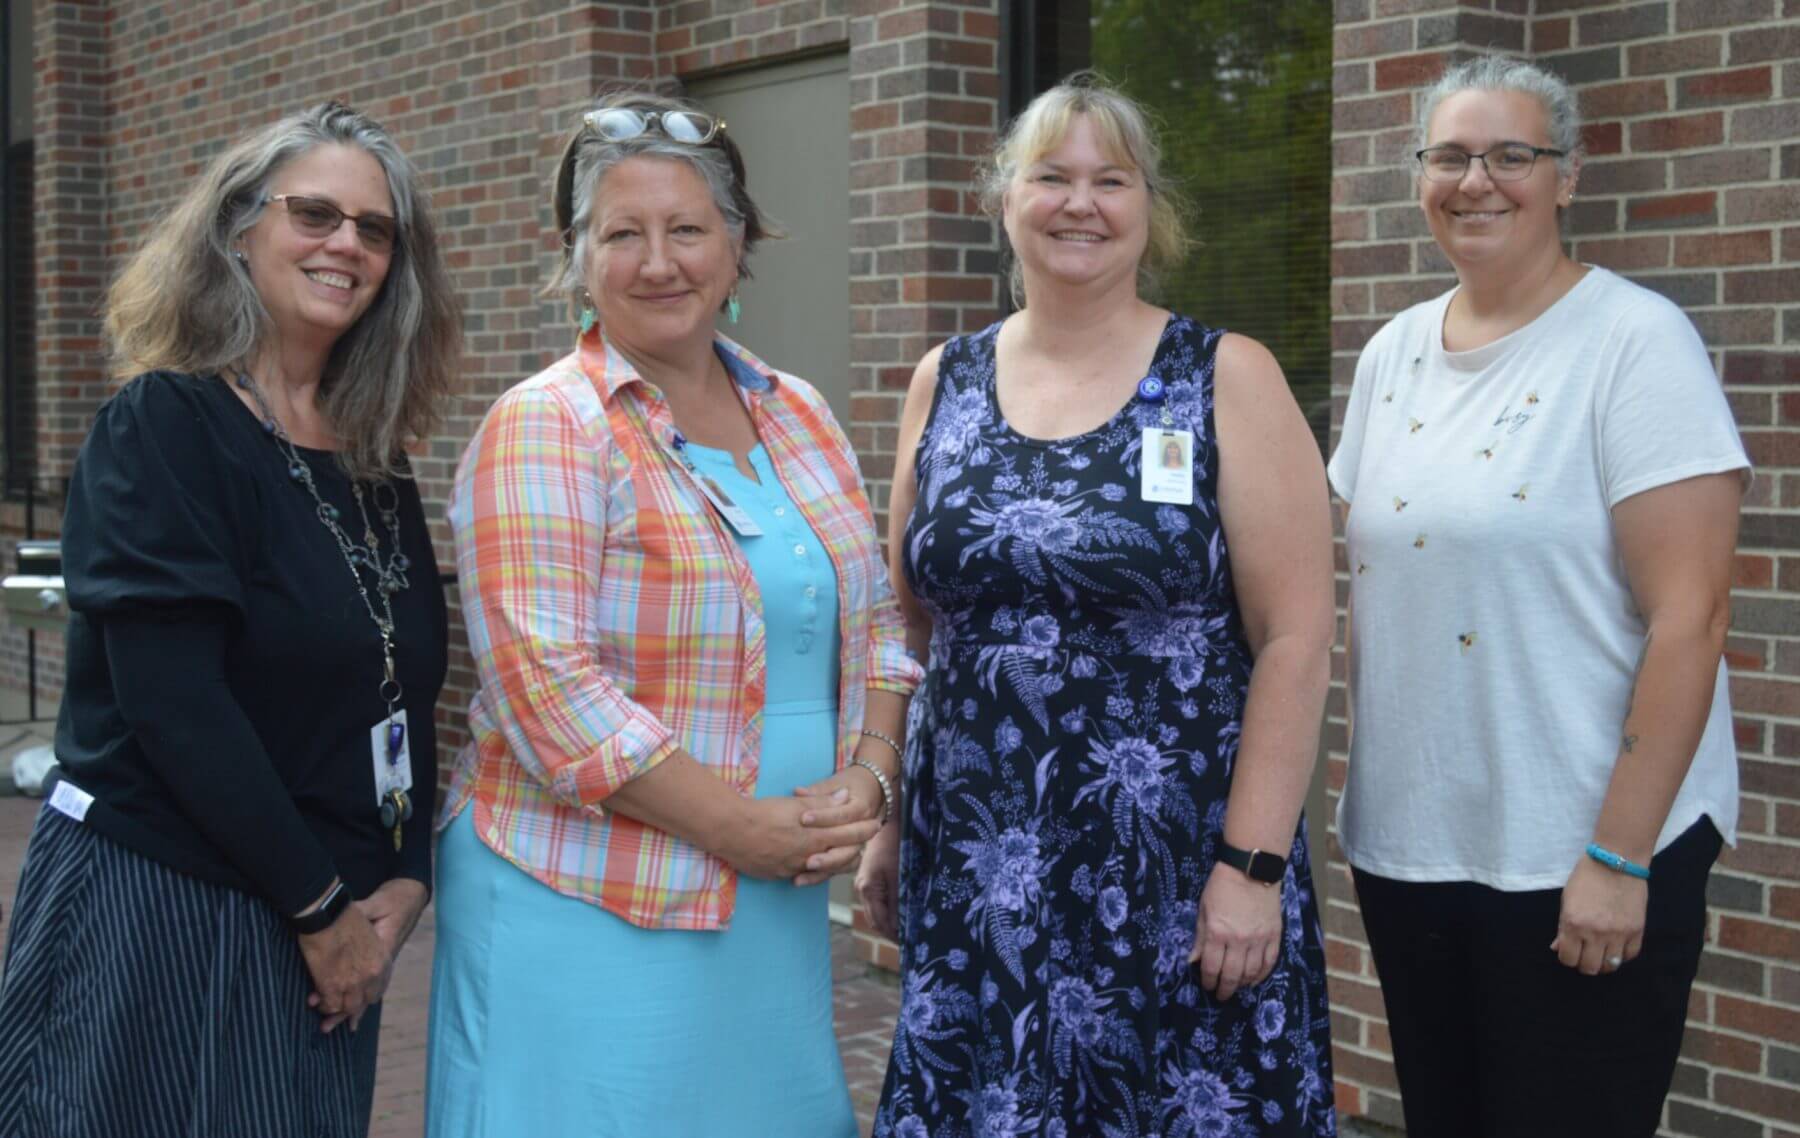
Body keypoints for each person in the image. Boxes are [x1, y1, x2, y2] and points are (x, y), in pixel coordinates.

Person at [426, 91, 921, 1137]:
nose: (660, 262)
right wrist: (746, 828)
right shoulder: (547, 425)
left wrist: (871, 781)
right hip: (591, 893)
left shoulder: (798, 413)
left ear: (737, 249)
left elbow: (878, 623)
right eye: (624, 234)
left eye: (688, 229)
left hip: (774, 901)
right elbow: (548, 692)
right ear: (577, 256)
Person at [862, 74, 1338, 1137]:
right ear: (1005, 199)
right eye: (1053, 177)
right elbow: (908, 623)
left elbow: (1298, 642)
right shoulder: (947, 378)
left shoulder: (1226, 376)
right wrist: (888, 816)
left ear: (1148, 209)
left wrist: (1251, 867)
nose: (1081, 203)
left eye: (1110, 180)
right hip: (984, 860)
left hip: (1173, 863)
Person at [0, 102, 459, 1137]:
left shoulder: (373, 462)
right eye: (314, 213)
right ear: (238, 228)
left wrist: (404, 877)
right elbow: (174, 704)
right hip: (164, 902)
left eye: (374, 228)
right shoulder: (166, 424)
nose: (345, 242)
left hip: (327, 917)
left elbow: (405, 687)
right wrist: (320, 910)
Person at [1327, 56, 1749, 1137]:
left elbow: (1690, 616)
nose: (1479, 182)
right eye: (1451, 156)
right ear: (1418, 175)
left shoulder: (1634, 343)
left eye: (1513, 155)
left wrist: (1619, 855)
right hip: (1416, 841)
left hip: (1580, 848)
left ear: (1567, 177)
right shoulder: (1392, 357)